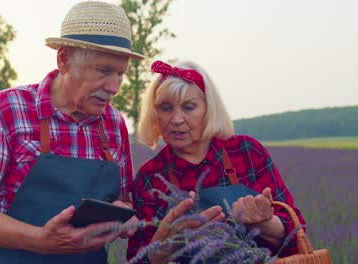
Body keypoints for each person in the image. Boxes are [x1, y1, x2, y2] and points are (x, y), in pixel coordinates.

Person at [0, 1, 144, 263]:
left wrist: (122, 214)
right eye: (104, 70)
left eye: (121, 74)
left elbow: (122, 199)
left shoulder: (113, 123)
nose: (114, 86)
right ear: (64, 59)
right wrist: (39, 240)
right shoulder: (6, 110)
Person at [127, 60, 306, 263]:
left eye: (189, 107)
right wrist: (164, 247)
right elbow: (136, 258)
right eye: (166, 108)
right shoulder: (150, 177)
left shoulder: (247, 152)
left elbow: (297, 234)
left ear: (209, 109)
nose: (176, 119)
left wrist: (265, 223)